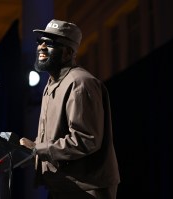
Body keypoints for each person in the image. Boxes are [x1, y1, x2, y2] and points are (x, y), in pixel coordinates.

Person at [20, 19, 120, 199]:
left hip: (85, 189)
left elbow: (85, 139)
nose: (42, 46)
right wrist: (26, 152)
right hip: (63, 186)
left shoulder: (80, 83)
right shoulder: (52, 84)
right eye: (40, 41)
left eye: (50, 43)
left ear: (67, 52)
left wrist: (38, 148)